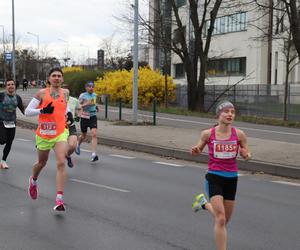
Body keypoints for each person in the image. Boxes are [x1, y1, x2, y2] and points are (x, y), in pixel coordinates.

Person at [191, 101, 251, 250]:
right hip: (214, 176)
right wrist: (196, 150)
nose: (230, 114)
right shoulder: (207, 134)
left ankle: (203, 204)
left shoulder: (239, 134)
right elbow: (198, 148)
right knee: (221, 218)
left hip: (231, 179)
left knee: (224, 220)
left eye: (233, 112)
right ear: (219, 114)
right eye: (226, 111)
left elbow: (247, 154)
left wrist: (246, 154)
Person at [25, 67, 69, 212]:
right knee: (41, 163)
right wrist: (42, 110)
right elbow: (27, 112)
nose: (56, 78)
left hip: (60, 133)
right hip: (44, 134)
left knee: (61, 162)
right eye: (54, 76)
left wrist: (69, 116)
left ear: (62, 79)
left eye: (59, 76)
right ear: (49, 79)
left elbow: (64, 108)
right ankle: (34, 180)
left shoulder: (66, 93)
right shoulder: (42, 93)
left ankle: (59, 200)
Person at [0, 78, 24, 169]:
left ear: (15, 86)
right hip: (1, 121)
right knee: (2, 140)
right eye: (8, 84)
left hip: (12, 123)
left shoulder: (17, 98)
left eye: (12, 84)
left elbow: (23, 110)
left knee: (9, 142)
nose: (11, 86)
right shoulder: (2, 96)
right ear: (6, 87)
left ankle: (3, 161)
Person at [75, 81, 99, 162]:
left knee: (94, 134)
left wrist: (96, 107)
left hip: (93, 116)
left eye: (92, 87)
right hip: (84, 117)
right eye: (89, 87)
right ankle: (78, 144)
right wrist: (86, 104)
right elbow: (78, 106)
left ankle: (94, 154)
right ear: (86, 88)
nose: (91, 88)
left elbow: (94, 103)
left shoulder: (95, 95)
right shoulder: (82, 95)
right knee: (83, 135)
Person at [65, 95, 82, 168]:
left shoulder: (74, 100)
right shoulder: (55, 99)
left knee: (72, 146)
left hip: (70, 125)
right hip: (59, 127)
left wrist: (78, 116)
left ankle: (67, 156)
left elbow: (80, 108)